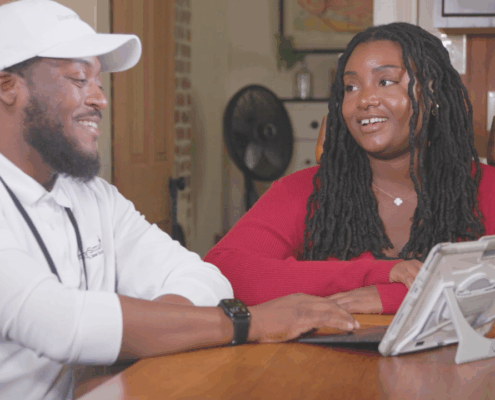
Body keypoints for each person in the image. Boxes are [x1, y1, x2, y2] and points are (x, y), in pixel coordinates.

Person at [0, 1, 360, 399]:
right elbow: (60, 323)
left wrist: (160, 330)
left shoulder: (94, 196)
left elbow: (206, 278)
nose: (100, 99)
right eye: (79, 79)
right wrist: (248, 323)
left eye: (99, 81)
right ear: (7, 87)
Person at [205, 22, 495, 314]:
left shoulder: (486, 188)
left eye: (386, 82)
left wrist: (392, 297)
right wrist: (376, 274)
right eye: (351, 87)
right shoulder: (307, 190)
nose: (364, 100)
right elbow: (224, 271)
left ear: (432, 94)